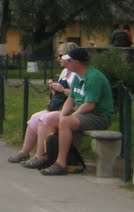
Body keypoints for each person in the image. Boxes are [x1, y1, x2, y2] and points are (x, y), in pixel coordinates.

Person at [41, 46, 114, 176]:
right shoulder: (77, 77)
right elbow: (71, 98)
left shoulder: (93, 77)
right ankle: (48, 157)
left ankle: (61, 163)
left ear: (76, 63)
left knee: (65, 122)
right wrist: (62, 115)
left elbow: (90, 105)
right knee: (51, 119)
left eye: (69, 61)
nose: (66, 63)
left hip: (98, 116)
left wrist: (68, 118)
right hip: (85, 113)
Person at [8, 42, 79, 166]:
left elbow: (76, 95)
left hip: (68, 109)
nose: (58, 58)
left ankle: (40, 156)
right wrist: (53, 87)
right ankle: (25, 151)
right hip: (57, 106)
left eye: (60, 55)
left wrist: (62, 89)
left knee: (45, 119)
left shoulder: (76, 75)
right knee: (34, 117)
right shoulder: (64, 72)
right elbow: (58, 93)